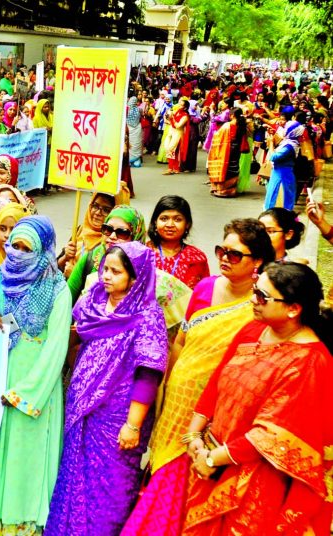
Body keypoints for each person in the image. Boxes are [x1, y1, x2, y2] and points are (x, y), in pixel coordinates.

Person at [121, 218, 274, 536]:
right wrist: (169, 386)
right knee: (160, 468)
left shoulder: (259, 310)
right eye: (222, 250)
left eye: (235, 254)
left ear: (257, 261)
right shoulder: (205, 288)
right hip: (177, 402)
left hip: (213, 413)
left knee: (184, 482)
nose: (224, 258)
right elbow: (181, 341)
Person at [182, 262, 333, 535]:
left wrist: (214, 459)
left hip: (257, 479)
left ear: (293, 309)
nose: (253, 300)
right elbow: (217, 380)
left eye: (262, 297)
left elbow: (270, 436)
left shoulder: (310, 361)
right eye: (255, 290)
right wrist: (193, 436)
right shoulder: (253, 330)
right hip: (211, 459)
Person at [45, 242, 168, 536]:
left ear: (135, 277)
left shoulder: (147, 315)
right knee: (73, 474)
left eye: (116, 271)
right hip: (83, 407)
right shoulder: (95, 301)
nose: (106, 277)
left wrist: (133, 425)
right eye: (105, 269)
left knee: (108, 486)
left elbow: (148, 373)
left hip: (118, 416)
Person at [0, 216, 71, 536]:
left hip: (32, 386)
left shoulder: (59, 290)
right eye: (15, 246)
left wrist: (25, 392)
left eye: (27, 248)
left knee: (25, 456)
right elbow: (3, 326)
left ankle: (22, 521)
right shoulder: (5, 277)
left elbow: (56, 349)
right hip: (4, 373)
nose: (18, 253)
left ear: (44, 251)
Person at [67, 205, 145, 301]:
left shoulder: (144, 271)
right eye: (108, 229)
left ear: (135, 237)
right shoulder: (92, 258)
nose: (112, 236)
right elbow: (67, 299)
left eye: (122, 232)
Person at [146, 195, 209, 289]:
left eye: (177, 219)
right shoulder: (144, 252)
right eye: (164, 219)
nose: (170, 225)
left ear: (187, 224)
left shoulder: (196, 258)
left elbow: (204, 293)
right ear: (155, 221)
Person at [57, 192, 116, 275]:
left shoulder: (111, 240)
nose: (98, 212)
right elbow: (56, 267)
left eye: (106, 210)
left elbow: (103, 281)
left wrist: (74, 274)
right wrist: (65, 257)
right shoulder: (80, 230)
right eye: (95, 206)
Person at [207, 108, 248, 197]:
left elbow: (217, 136)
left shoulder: (227, 125)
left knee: (225, 168)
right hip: (236, 150)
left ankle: (220, 189)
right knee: (233, 168)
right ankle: (230, 190)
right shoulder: (242, 125)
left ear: (232, 115)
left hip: (227, 150)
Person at [265, 121, 302, 211]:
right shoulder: (290, 142)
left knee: (277, 205)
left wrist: (270, 143)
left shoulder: (289, 146)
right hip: (281, 174)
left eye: (286, 128)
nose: (284, 130)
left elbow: (274, 157)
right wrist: (273, 135)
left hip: (282, 177)